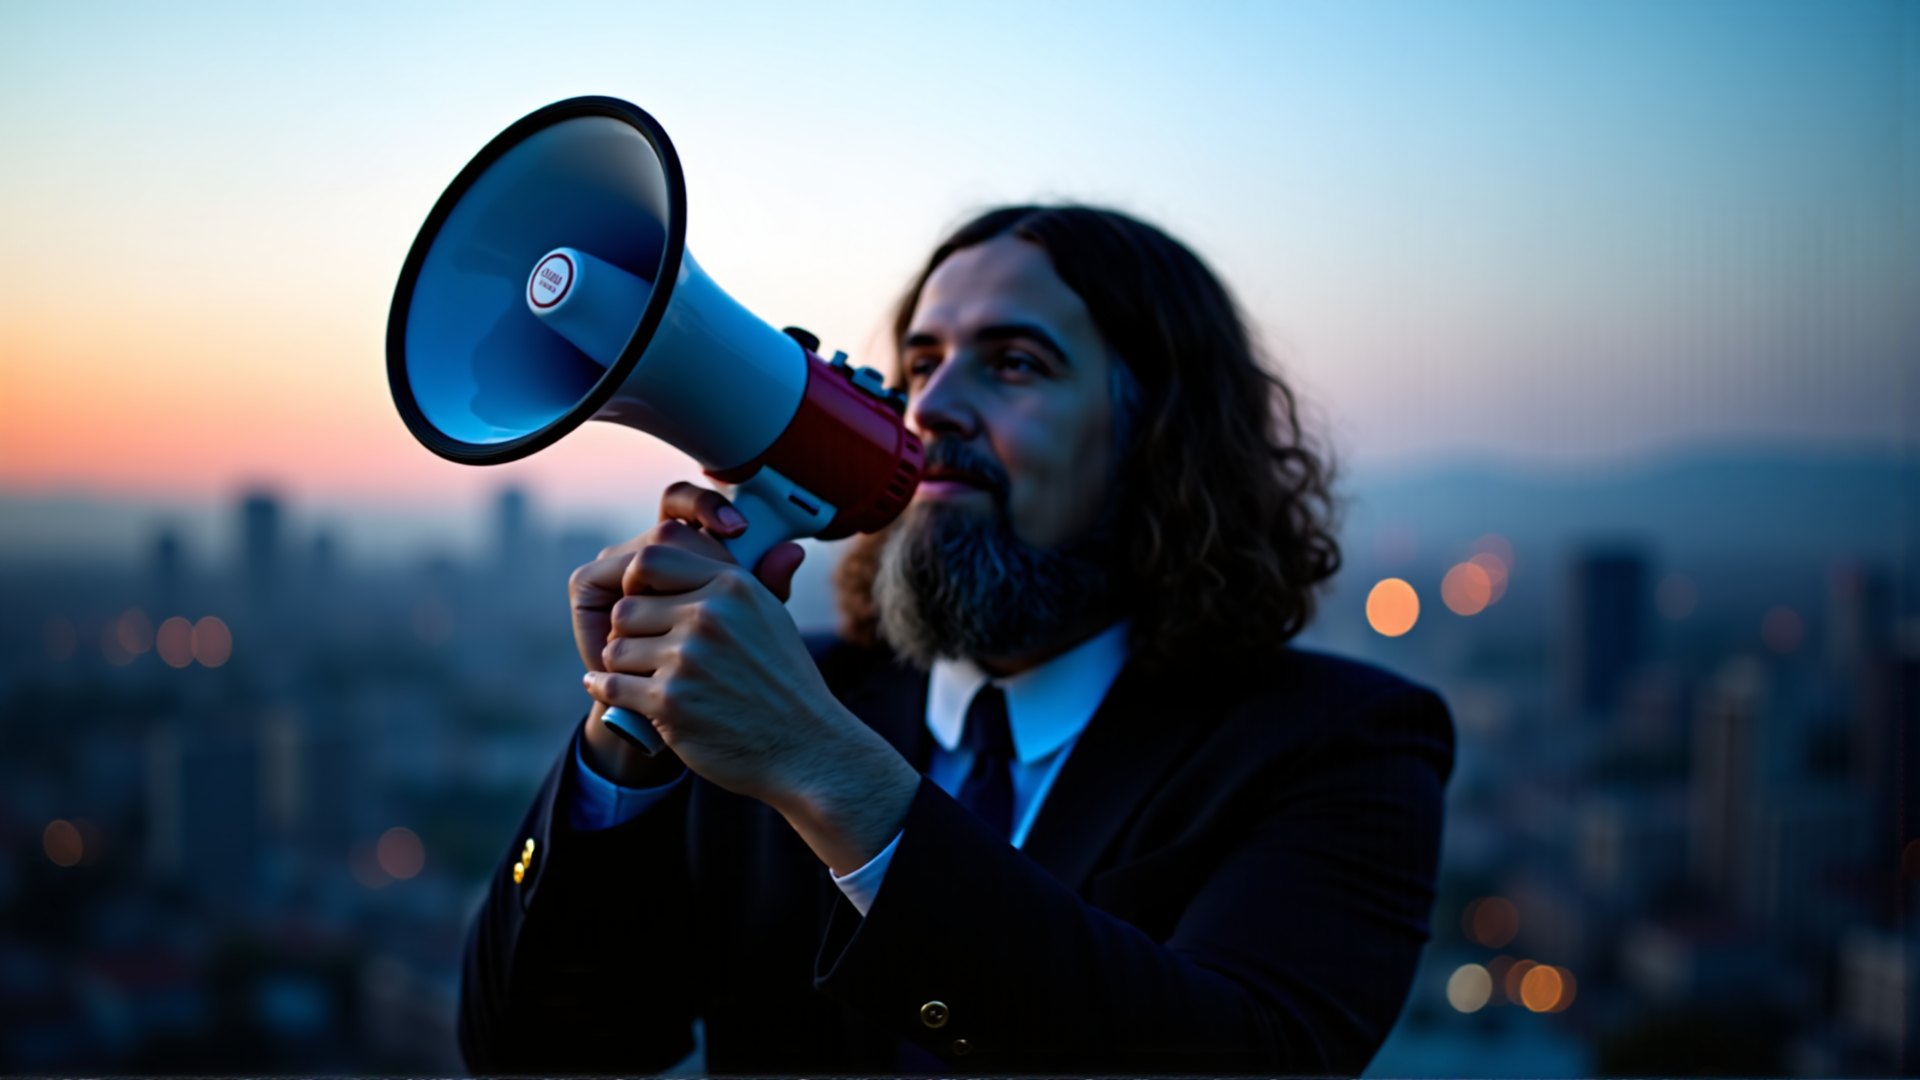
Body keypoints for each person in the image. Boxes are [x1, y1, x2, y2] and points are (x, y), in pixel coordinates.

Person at [458, 205, 1453, 1076]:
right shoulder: (770, 705)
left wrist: (832, 775)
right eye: (921, 364)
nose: (930, 408)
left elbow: (1249, 1057)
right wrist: (627, 739)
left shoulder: (1337, 741)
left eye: (1015, 363)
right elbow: (539, 1049)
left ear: (1161, 437)